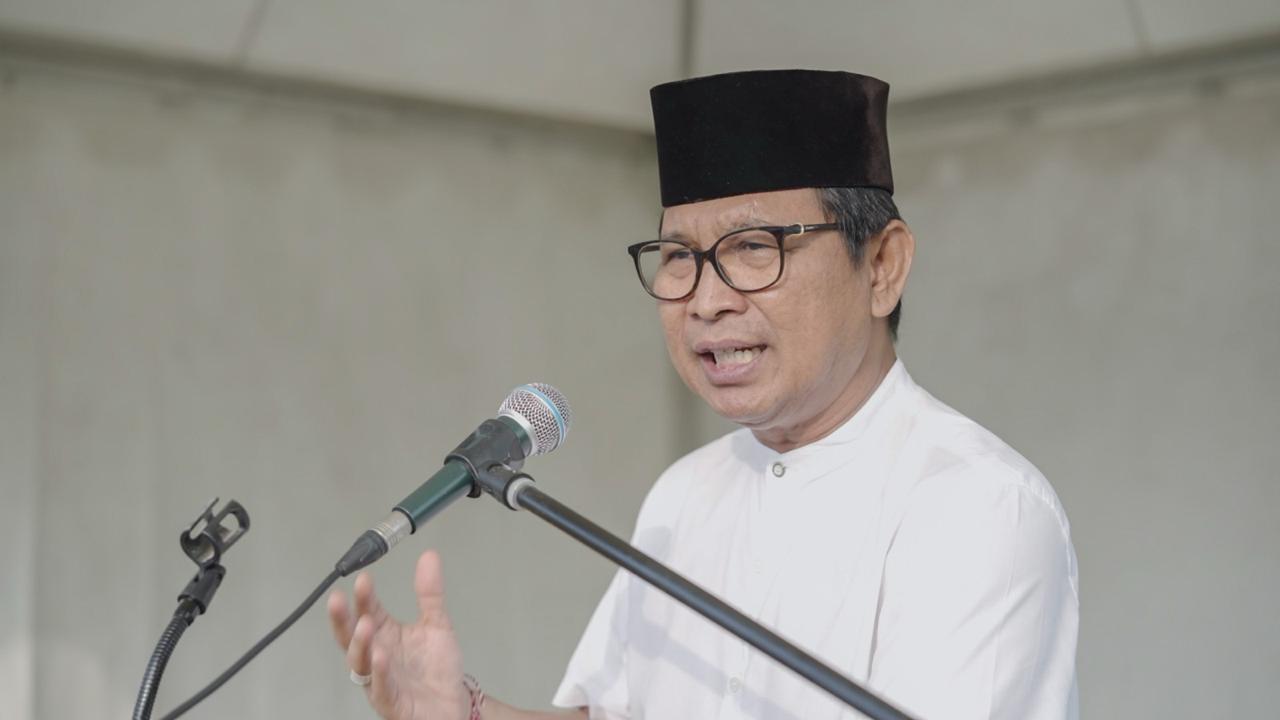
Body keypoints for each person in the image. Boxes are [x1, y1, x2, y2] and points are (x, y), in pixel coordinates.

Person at [327, 69, 1079, 720]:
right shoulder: (685, 494)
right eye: (680, 257)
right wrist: (468, 714)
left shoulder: (977, 505)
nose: (706, 300)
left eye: (754, 249)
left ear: (882, 264)